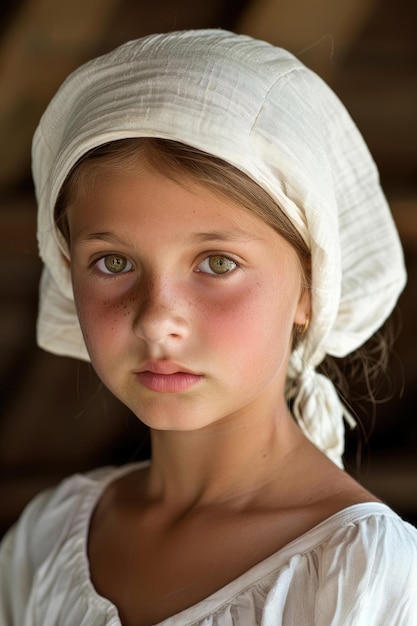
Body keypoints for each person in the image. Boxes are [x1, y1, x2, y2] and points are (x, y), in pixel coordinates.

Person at [0, 29, 416, 626]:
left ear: (308, 285)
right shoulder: (49, 539)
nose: (157, 319)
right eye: (113, 263)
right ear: (67, 269)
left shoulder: (363, 576)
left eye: (217, 263)